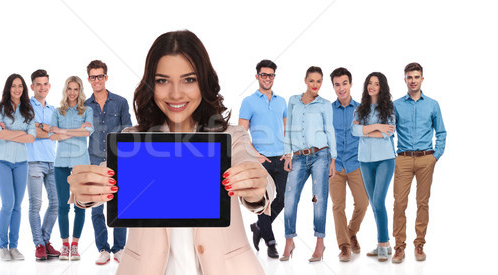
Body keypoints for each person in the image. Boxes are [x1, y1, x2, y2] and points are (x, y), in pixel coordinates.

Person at [67, 30, 274, 275]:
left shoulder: (231, 136)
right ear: (150, 85)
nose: (176, 94)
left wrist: (256, 188)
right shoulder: (134, 139)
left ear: (204, 82)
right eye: (163, 80)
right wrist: (85, 190)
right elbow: (105, 177)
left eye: (189, 79)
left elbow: (260, 182)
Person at [391, 62, 446, 263]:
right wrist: (393, 156)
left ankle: (419, 243)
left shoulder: (432, 104)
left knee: (422, 202)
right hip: (403, 160)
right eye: (409, 77)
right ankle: (399, 246)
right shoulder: (396, 105)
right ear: (404, 79)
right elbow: (389, 133)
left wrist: (435, 156)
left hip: (426, 159)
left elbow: (441, 132)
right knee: (399, 203)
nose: (413, 81)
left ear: (422, 78)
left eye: (416, 77)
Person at [282, 66, 336, 262]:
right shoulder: (293, 101)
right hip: (297, 156)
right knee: (289, 199)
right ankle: (289, 241)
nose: (315, 85)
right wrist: (287, 155)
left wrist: (333, 159)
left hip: (320, 155)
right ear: (305, 80)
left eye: (319, 81)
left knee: (318, 199)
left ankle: (320, 243)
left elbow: (330, 130)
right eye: (312, 80)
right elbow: (288, 130)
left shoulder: (325, 104)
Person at [83, 60, 132, 265]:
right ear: (89, 79)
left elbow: (128, 131)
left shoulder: (120, 102)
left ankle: (119, 248)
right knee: (96, 207)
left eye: (100, 76)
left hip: (117, 160)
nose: (97, 80)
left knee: (120, 206)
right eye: (93, 77)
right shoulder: (84, 106)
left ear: (106, 77)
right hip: (93, 161)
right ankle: (102, 248)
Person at [239, 59, 287, 258]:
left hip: (282, 158)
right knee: (266, 201)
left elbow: (285, 129)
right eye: (264, 75)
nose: (268, 78)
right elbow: (242, 133)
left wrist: (288, 150)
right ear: (257, 76)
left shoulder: (281, 101)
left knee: (283, 199)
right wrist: (255, 155)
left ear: (274, 77)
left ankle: (258, 227)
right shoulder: (249, 101)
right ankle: (271, 242)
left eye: (271, 75)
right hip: (262, 160)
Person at [350, 72, 395, 262]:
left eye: (376, 84)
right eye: (370, 83)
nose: (372, 86)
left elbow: (389, 133)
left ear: (381, 87)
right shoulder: (359, 109)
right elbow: (354, 130)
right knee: (375, 203)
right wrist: (377, 126)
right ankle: (383, 245)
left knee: (378, 202)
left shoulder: (389, 109)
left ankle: (383, 244)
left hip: (385, 159)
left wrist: (366, 131)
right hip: (365, 161)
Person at [49, 76, 94, 261]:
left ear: (80, 90)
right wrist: (73, 131)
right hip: (60, 164)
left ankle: (75, 246)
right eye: (70, 88)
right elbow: (52, 136)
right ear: (65, 90)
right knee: (62, 206)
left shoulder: (87, 111)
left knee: (80, 206)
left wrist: (63, 131)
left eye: (76, 89)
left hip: (81, 163)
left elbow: (87, 132)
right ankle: (65, 245)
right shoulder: (58, 111)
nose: (72, 92)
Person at [0, 74, 36, 260]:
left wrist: (10, 132)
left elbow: (32, 137)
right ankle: (2, 246)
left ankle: (14, 247)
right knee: (8, 203)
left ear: (24, 89)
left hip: (21, 162)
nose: (17, 89)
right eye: (13, 86)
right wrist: (21, 133)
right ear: (8, 88)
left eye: (20, 86)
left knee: (17, 205)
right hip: (1, 161)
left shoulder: (28, 110)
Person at [328, 67, 369, 262]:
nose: (341, 88)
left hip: (356, 163)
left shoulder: (362, 109)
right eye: (337, 84)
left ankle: (351, 232)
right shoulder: (327, 110)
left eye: (344, 83)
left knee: (363, 202)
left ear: (350, 84)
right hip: (335, 166)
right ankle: (344, 246)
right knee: (338, 206)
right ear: (333, 87)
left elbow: (369, 135)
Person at [25, 69, 60, 260]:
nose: (42, 87)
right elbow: (33, 133)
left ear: (49, 86)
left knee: (56, 203)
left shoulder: (53, 110)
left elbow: (59, 132)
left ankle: (45, 241)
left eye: (45, 83)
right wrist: (48, 130)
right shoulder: (26, 107)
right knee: (36, 204)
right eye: (38, 84)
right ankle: (38, 244)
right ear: (32, 86)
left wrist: (41, 126)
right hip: (34, 162)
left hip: (52, 161)